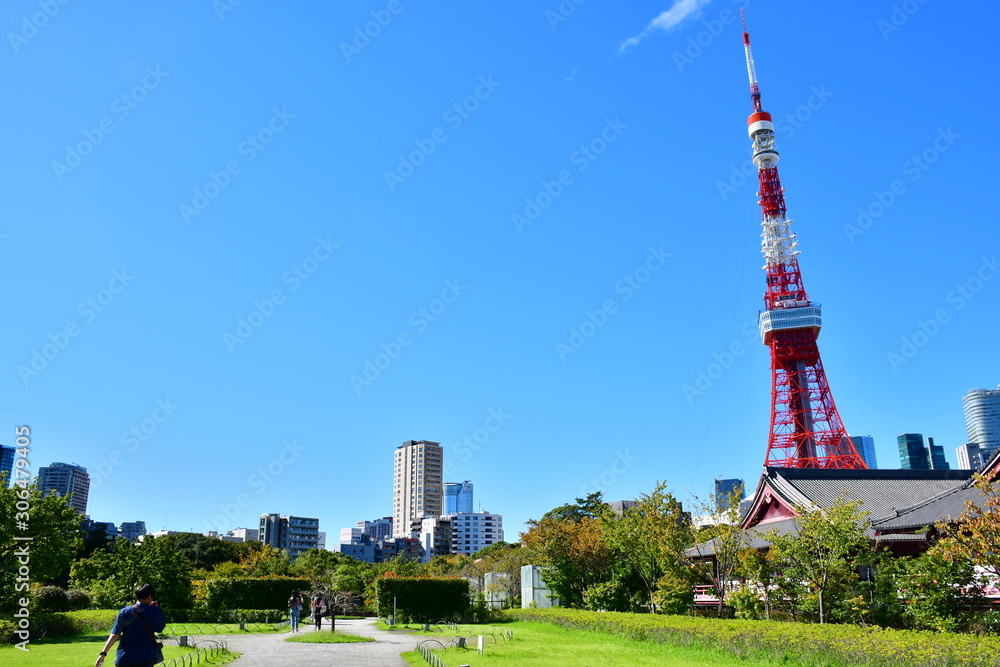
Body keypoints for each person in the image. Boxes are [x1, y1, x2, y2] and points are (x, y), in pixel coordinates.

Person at [95, 583, 166, 667]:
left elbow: (114, 635)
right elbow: (159, 628)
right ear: (149, 596)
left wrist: (103, 654)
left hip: (125, 657)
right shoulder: (155, 611)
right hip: (146, 657)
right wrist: (156, 610)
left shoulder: (124, 612)